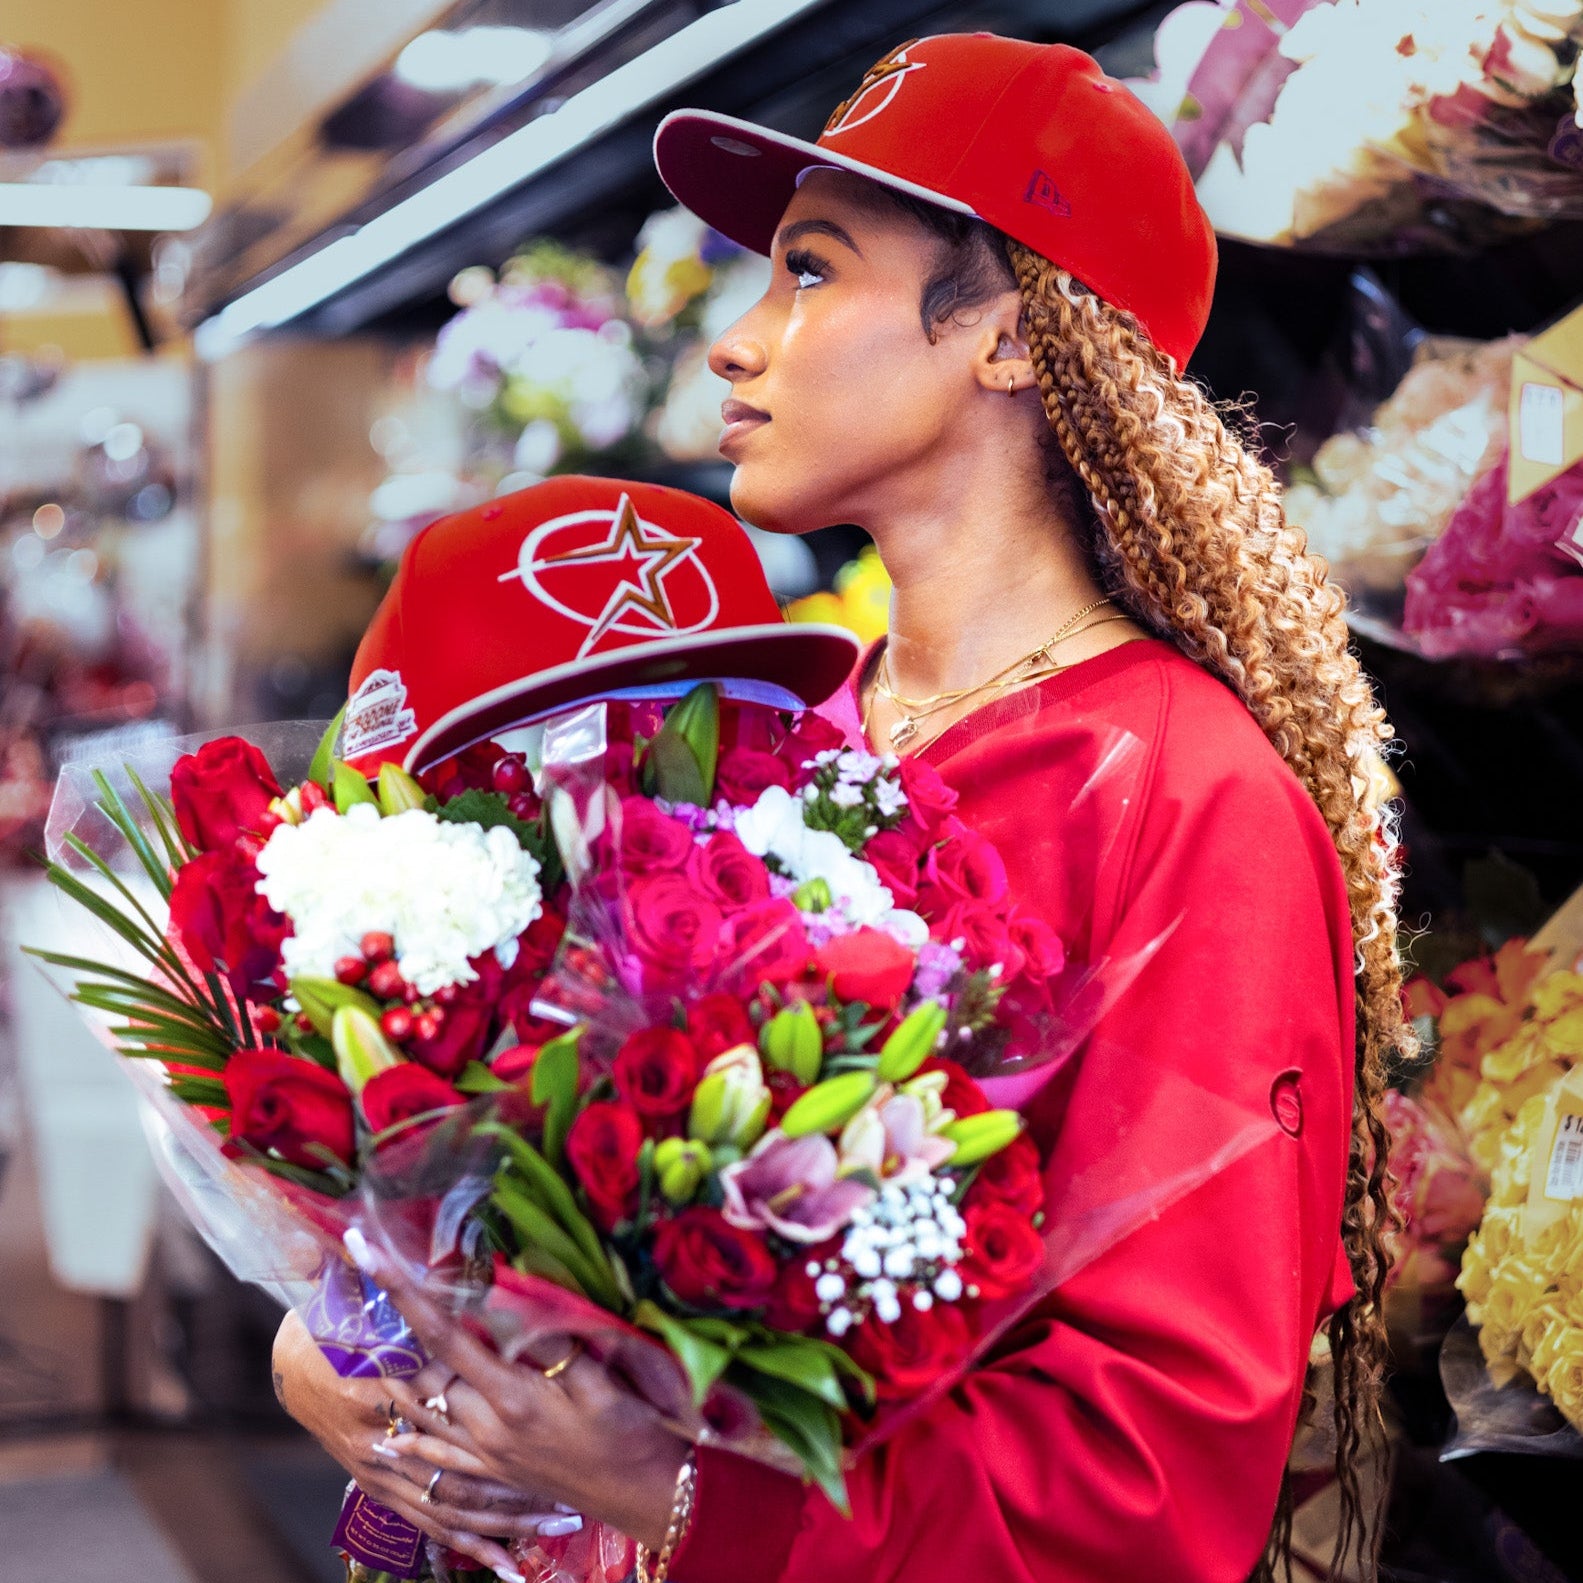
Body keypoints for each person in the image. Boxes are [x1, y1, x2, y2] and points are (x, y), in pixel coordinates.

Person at [275, 35, 1410, 1583]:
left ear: (1009, 336)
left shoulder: (1188, 796)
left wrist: (678, 1495)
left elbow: (1148, 1470)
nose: (740, 344)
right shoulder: (773, 728)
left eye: (810, 272)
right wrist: (347, 1334)